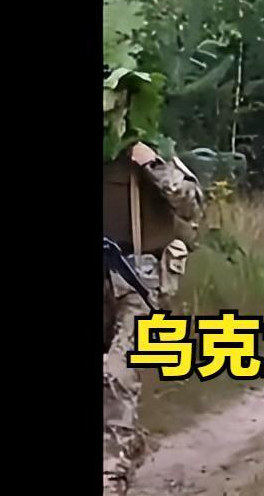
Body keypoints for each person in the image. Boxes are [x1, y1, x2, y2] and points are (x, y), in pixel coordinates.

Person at [104, 141, 205, 496]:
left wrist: (153, 164)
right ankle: (128, 443)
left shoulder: (148, 148)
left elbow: (193, 205)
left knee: (117, 371)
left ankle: (112, 474)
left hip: (137, 281)